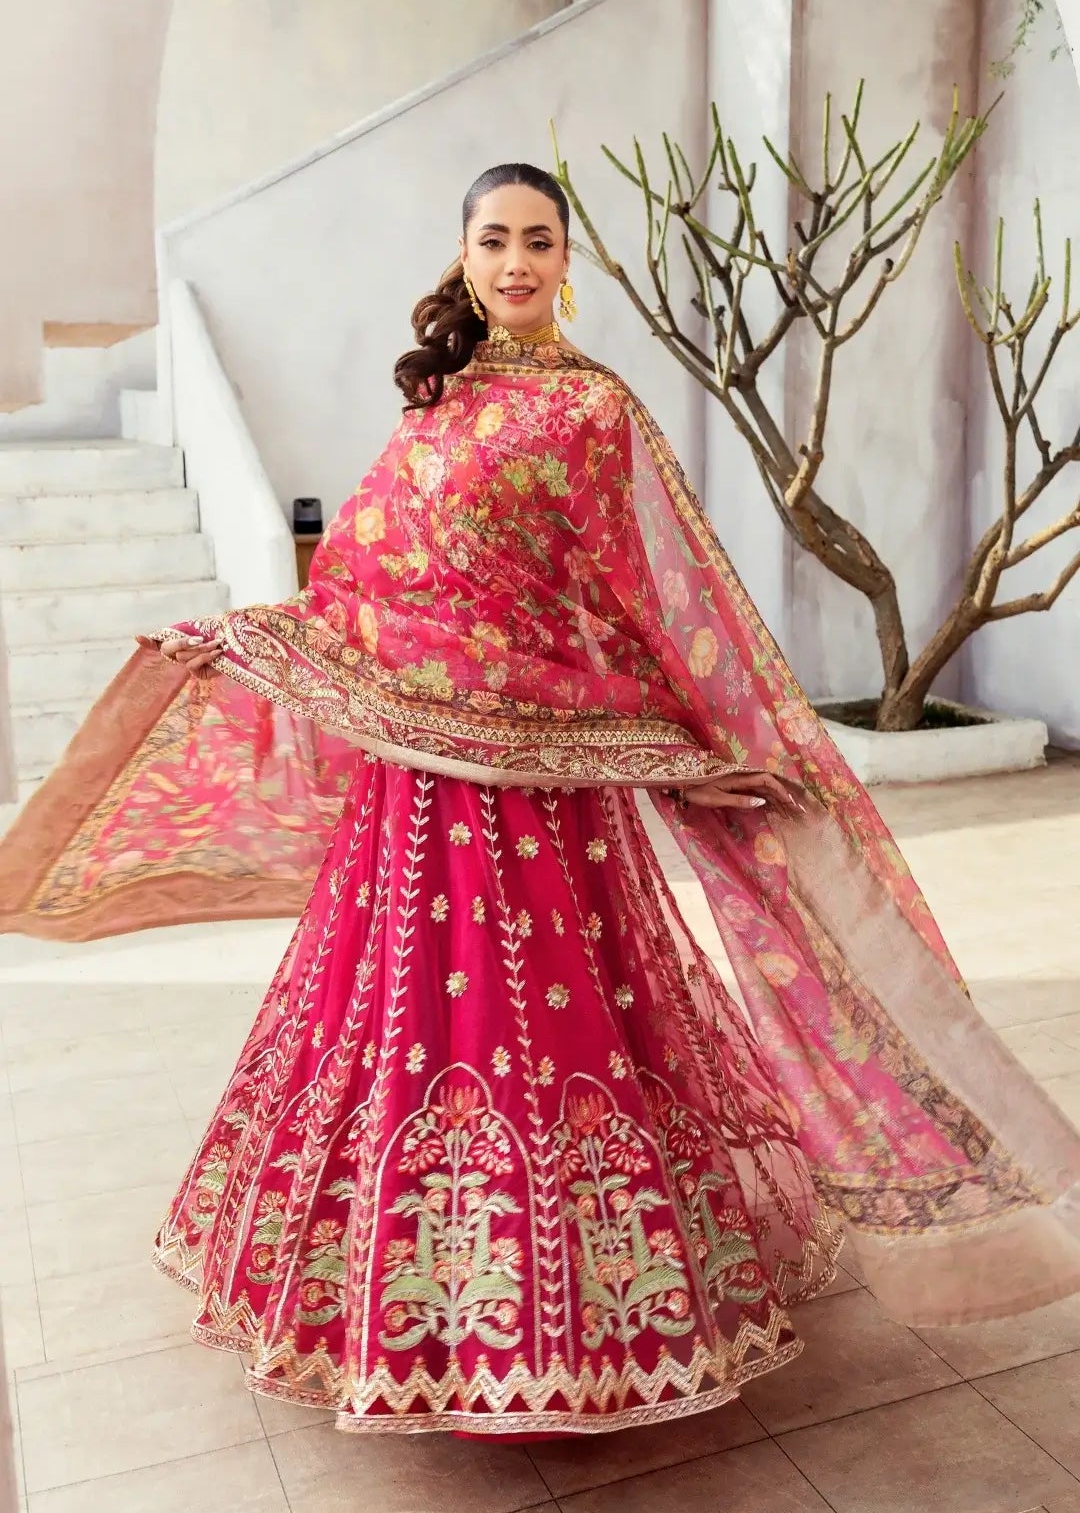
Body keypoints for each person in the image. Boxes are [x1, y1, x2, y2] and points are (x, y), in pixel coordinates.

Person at [3, 161, 1080, 1439]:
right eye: (495, 239)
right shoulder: (437, 401)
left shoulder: (594, 409)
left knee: (556, 1036)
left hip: (547, 796)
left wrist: (688, 748)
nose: (516, 262)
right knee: (399, 1024)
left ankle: (581, 1323)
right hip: (415, 797)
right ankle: (401, 1311)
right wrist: (265, 638)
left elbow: (650, 607)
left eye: (540, 241)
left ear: (570, 262)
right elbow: (365, 573)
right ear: (462, 256)